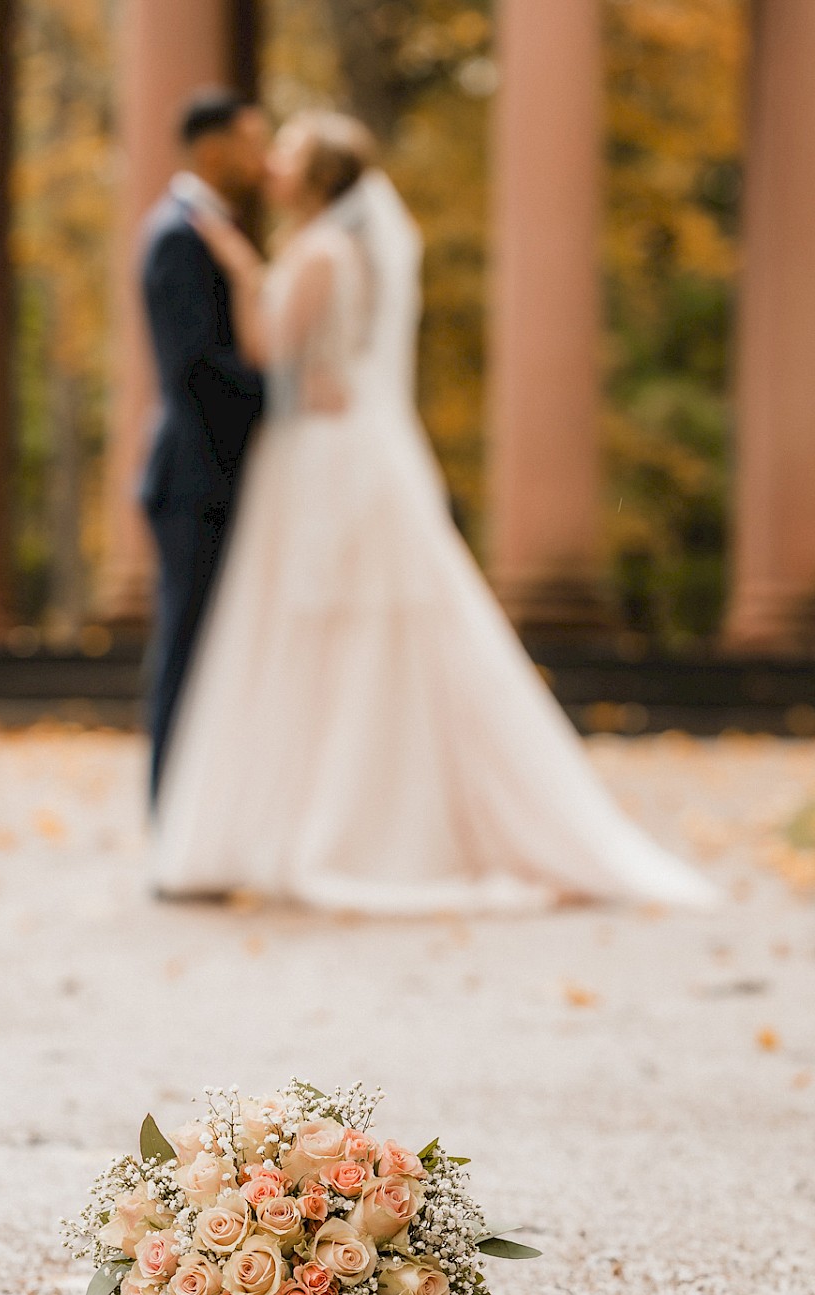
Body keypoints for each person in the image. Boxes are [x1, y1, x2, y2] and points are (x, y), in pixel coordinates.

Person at [152, 111, 717, 915]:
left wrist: (243, 272)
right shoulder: (342, 250)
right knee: (353, 637)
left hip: (322, 458)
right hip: (346, 447)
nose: (272, 164)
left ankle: (329, 825)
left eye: (287, 154)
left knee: (320, 636)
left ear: (316, 180)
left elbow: (271, 347)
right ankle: (348, 816)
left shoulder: (315, 254)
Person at [138, 90, 268, 800]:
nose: (264, 160)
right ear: (214, 150)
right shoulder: (178, 236)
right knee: (187, 654)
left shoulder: (208, 230)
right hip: (196, 482)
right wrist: (285, 402)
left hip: (219, 481)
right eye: (254, 143)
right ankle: (172, 827)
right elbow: (198, 369)